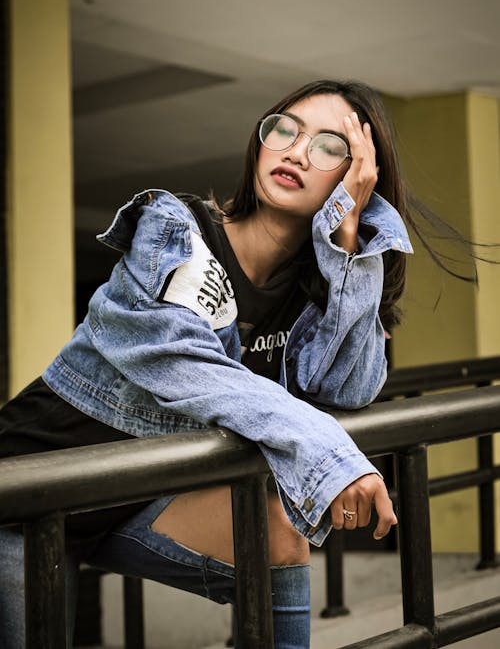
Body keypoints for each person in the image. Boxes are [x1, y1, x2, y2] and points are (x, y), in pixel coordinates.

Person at [0, 79, 416, 648]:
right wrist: (330, 454)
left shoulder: (311, 289)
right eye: (285, 130)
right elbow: (184, 364)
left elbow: (347, 388)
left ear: (357, 178)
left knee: (277, 530)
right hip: (28, 495)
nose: (296, 150)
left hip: (135, 497)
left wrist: (348, 245)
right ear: (259, 141)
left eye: (328, 146)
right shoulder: (175, 230)